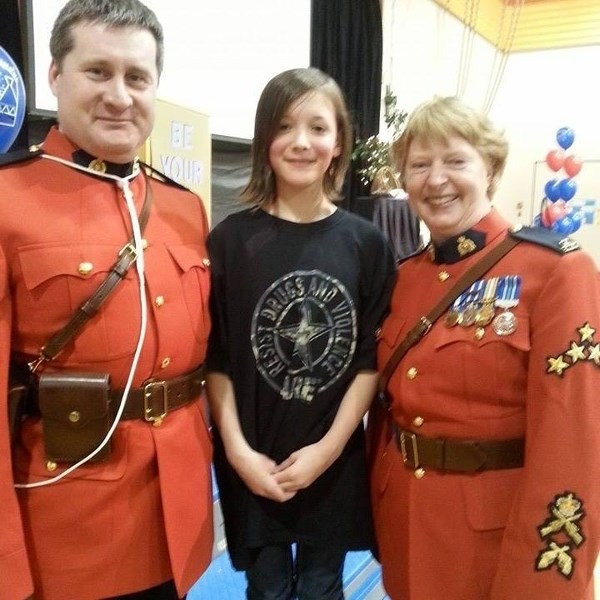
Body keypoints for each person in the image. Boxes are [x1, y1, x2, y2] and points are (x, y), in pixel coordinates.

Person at [0, 1, 213, 598]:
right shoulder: (7, 200)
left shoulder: (182, 207)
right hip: (70, 530)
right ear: (55, 76)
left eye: (137, 77)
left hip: (178, 515)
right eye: (98, 72)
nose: (119, 95)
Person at [368, 95, 600, 599]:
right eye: (419, 165)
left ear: (490, 171)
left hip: (493, 543)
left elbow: (573, 442)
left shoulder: (556, 270)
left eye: (456, 161)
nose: (436, 179)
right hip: (405, 519)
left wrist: (543, 579)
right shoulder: (405, 277)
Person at [205, 67, 396, 599]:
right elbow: (216, 359)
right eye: (285, 126)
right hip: (253, 460)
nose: (301, 142)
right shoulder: (229, 242)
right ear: (265, 138)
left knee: (321, 588)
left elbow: (368, 362)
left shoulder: (366, 244)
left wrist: (329, 449)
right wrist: (240, 453)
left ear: (338, 143)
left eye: (318, 128)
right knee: (265, 591)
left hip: (331, 461)